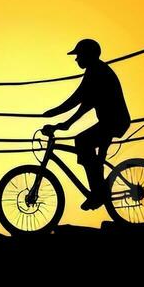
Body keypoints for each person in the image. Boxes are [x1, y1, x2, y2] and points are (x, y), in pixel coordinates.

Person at [42, 38, 131, 209]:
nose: (76, 59)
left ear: (87, 55)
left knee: (83, 141)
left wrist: (63, 121)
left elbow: (85, 103)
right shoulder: (94, 71)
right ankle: (98, 190)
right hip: (110, 122)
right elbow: (79, 98)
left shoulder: (98, 72)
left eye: (78, 55)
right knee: (86, 147)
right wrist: (56, 115)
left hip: (113, 122)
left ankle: (98, 192)